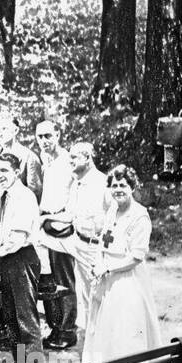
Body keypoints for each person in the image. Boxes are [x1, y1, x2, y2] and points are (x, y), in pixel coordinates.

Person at [85, 165, 164, 363]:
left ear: (132, 187)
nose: (118, 189)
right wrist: (99, 263)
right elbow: (103, 241)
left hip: (127, 277)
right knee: (102, 325)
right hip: (106, 274)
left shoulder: (140, 216)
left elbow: (136, 257)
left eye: (123, 185)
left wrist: (108, 268)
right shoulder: (112, 210)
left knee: (124, 325)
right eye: (114, 185)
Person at [0, 152, 43, 363]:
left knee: (25, 314)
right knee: (11, 314)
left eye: (3, 170)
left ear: (16, 172)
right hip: (9, 260)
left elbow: (17, 238)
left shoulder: (23, 196)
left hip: (22, 259)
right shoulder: (4, 196)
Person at [35, 119, 78, 350]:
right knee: (49, 281)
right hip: (44, 225)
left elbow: (74, 195)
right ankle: (55, 327)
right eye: (40, 137)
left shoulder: (67, 161)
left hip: (61, 225)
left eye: (48, 136)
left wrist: (63, 217)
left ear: (58, 134)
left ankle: (68, 330)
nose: (44, 141)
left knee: (64, 280)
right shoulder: (44, 161)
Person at [66, 141, 110, 331]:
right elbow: (71, 214)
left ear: (87, 158)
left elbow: (113, 219)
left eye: (74, 157)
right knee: (85, 295)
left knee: (100, 293)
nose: (70, 161)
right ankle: (91, 338)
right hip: (79, 244)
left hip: (95, 247)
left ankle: (106, 338)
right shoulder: (76, 182)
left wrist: (104, 250)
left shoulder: (102, 182)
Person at [5, 116, 44, 201]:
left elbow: (34, 196)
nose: (0, 133)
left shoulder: (29, 157)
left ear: (15, 130)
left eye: (4, 128)